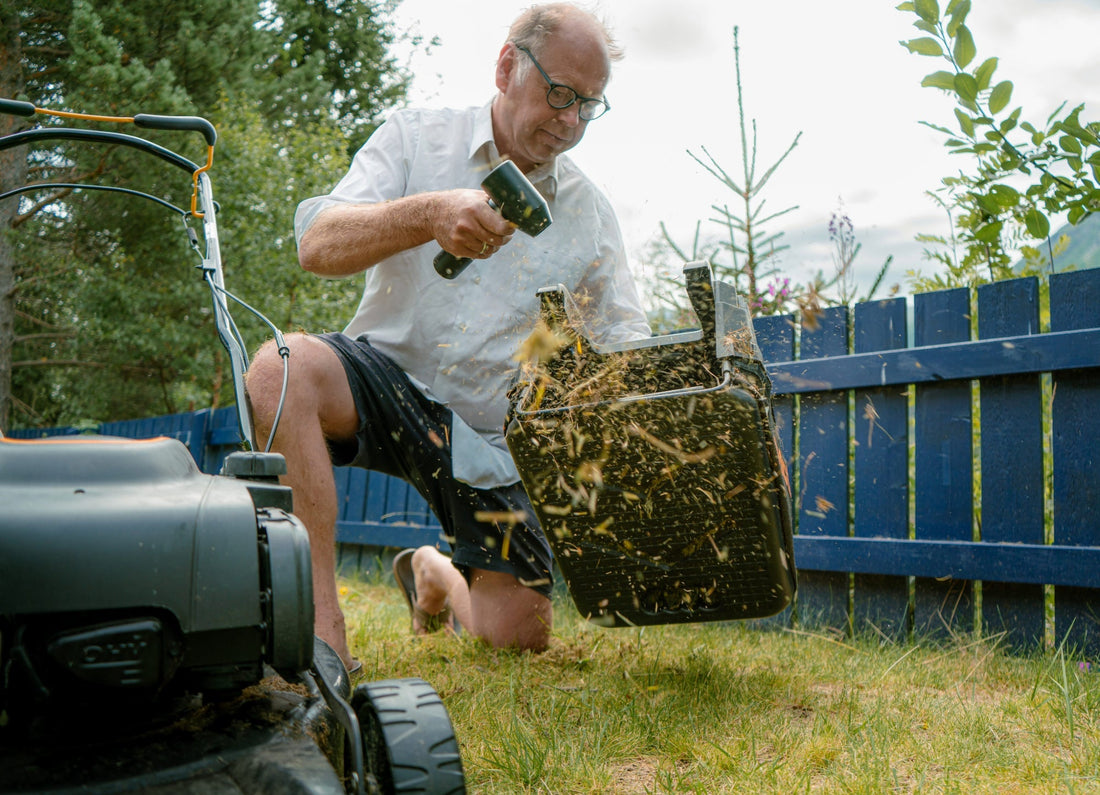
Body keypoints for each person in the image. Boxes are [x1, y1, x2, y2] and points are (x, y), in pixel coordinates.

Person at [245, 2, 651, 667]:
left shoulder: (590, 214)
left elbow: (624, 340)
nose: (571, 121)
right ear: (506, 66)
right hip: (382, 384)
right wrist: (430, 212)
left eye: (589, 105)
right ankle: (321, 643)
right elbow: (317, 243)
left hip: (489, 437)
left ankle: (432, 571)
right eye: (559, 94)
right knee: (279, 368)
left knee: (519, 634)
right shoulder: (416, 138)